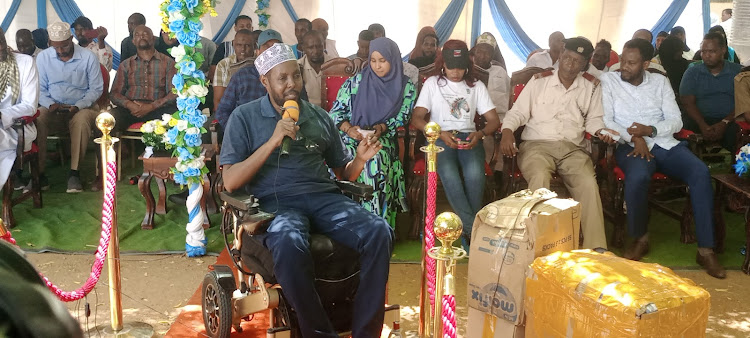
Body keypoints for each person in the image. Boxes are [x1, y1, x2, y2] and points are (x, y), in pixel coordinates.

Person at [220, 42, 392, 338]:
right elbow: (230, 181)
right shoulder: (244, 117)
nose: (291, 85)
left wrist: (360, 159)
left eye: (295, 77)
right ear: (265, 82)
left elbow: (343, 174)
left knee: (380, 231)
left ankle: (366, 332)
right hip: (277, 206)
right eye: (282, 79)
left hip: (324, 199)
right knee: (288, 243)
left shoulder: (319, 116)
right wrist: (273, 140)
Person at [601, 38, 725, 279]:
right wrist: (633, 136)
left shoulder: (660, 82)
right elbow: (607, 119)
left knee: (700, 172)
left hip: (664, 142)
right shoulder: (609, 80)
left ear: (646, 64)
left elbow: (676, 120)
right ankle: (640, 237)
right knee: (637, 177)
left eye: (631, 63)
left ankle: (705, 249)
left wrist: (650, 131)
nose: (623, 66)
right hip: (630, 146)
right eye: (623, 61)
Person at [501, 37, 617, 250]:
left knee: (588, 184)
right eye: (568, 58)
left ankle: (596, 249)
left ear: (585, 63)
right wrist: (507, 131)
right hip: (537, 146)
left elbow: (594, 120)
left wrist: (601, 131)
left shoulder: (591, 86)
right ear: (561, 54)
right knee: (539, 177)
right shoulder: (539, 81)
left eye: (577, 61)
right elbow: (517, 113)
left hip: (572, 149)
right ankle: (539, 244)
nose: (571, 64)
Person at [411, 39, 501, 249]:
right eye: (451, 66)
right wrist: (439, 133)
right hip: (440, 138)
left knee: (475, 176)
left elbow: (494, 120)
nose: (456, 72)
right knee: (450, 175)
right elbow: (417, 118)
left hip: (469, 138)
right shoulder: (433, 83)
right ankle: (474, 232)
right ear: (443, 63)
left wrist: (479, 134)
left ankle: (468, 233)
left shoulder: (476, 86)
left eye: (461, 67)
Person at [330, 37, 415, 227]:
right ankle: (343, 225)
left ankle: (376, 227)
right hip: (351, 139)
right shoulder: (356, 82)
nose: (377, 66)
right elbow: (335, 113)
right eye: (374, 61)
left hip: (381, 141)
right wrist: (349, 129)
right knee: (338, 160)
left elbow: (404, 117)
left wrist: (383, 127)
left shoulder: (405, 86)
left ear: (393, 60)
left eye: (383, 61)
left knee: (374, 162)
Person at [36, 22, 103, 193]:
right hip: (53, 107)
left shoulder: (88, 57)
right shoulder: (43, 58)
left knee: (80, 121)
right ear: (50, 43)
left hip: (81, 107)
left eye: (64, 46)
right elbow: (40, 89)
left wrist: (78, 106)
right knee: (38, 117)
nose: (60, 51)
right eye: (55, 47)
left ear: (71, 39)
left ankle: (74, 173)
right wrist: (50, 104)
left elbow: (96, 89)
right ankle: (39, 174)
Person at [680, 33, 742, 152]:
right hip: (699, 119)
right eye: (703, 51)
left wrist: (724, 123)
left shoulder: (738, 72)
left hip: (731, 120)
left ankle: (733, 166)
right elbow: (688, 103)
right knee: (684, 126)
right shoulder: (692, 73)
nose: (707, 55)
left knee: (736, 133)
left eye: (711, 51)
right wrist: (703, 125)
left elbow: (744, 103)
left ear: (723, 50)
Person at [110, 26, 178, 132]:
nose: (141, 36)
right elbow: (114, 93)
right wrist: (130, 105)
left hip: (159, 109)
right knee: (108, 119)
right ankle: (121, 148)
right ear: (133, 41)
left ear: (154, 39)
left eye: (145, 34)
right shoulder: (126, 65)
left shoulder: (169, 63)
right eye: (137, 34)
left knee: (177, 120)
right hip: (131, 109)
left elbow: (174, 93)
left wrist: (151, 106)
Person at [0, 28, 38, 187]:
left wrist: (2, 115)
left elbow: (30, 106)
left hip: (17, 127)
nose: (1, 48)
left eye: (1, 42)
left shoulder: (25, 62)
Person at [212, 29, 256, 111]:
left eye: (247, 45)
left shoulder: (260, 63)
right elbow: (218, 100)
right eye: (239, 45)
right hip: (231, 115)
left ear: (254, 45)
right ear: (233, 44)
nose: (243, 49)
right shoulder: (223, 65)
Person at [298, 30, 332, 108]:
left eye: (319, 46)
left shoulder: (335, 65)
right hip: (309, 114)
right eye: (310, 47)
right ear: (303, 48)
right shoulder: (297, 67)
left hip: (333, 113)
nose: (315, 51)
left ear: (324, 45)